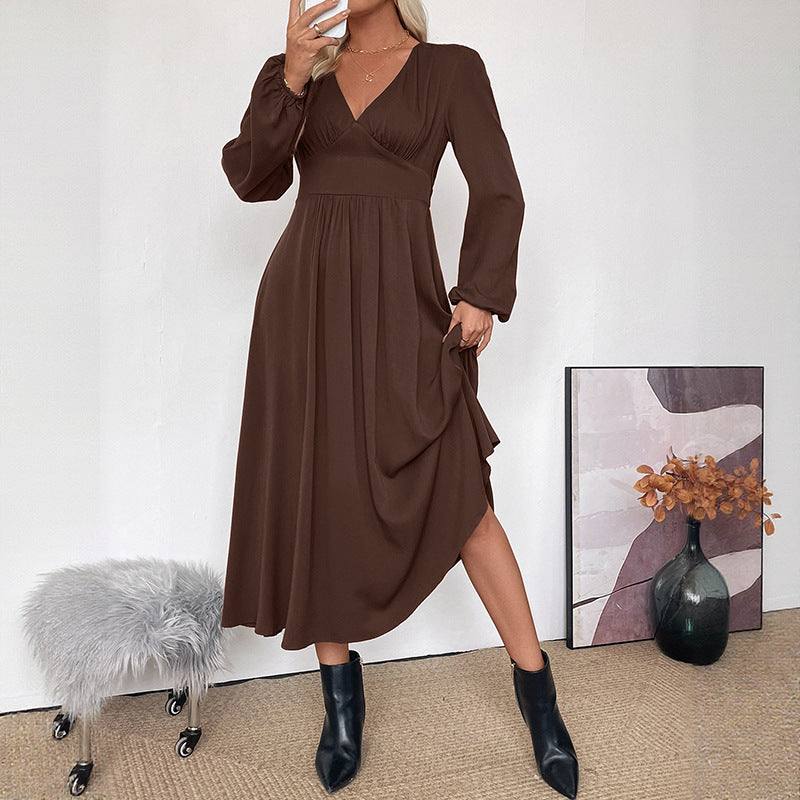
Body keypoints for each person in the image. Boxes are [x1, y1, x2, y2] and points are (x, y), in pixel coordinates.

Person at [219, 0, 579, 796]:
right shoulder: (299, 71)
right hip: (304, 309)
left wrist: (481, 292)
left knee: (463, 499)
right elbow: (252, 178)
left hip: (402, 307)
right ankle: (341, 708)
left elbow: (499, 189)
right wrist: (289, 75)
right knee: (323, 495)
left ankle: (540, 700)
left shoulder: (451, 69)